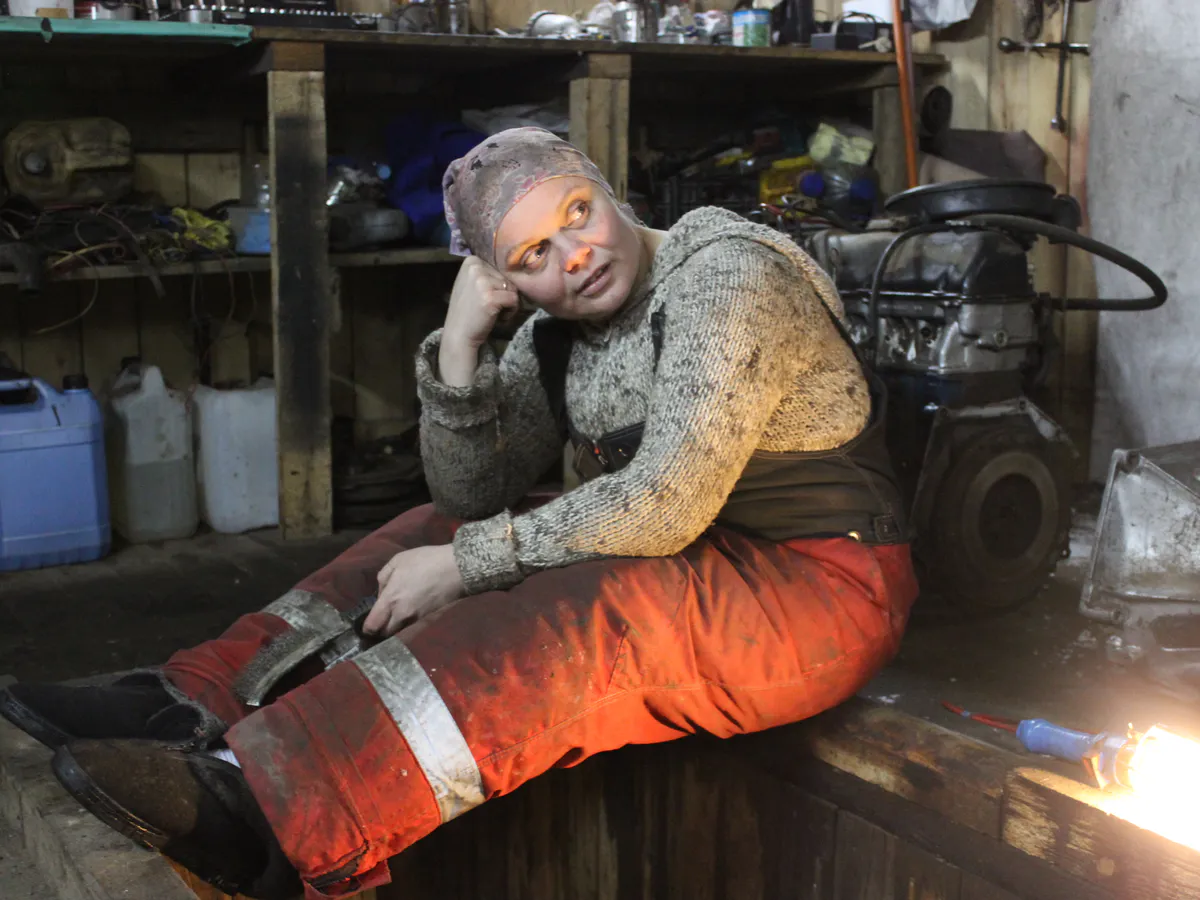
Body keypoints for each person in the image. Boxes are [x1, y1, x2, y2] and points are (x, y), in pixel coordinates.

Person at [0, 127, 918, 900]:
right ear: (500, 273)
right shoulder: (562, 331)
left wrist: (474, 564)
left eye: (577, 214)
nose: (575, 257)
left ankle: (272, 812)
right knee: (428, 536)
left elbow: (664, 500)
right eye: (532, 256)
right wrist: (461, 348)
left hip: (819, 586)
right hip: (687, 554)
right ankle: (192, 702)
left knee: (572, 612)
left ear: (607, 190)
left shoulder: (727, 276)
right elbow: (467, 498)